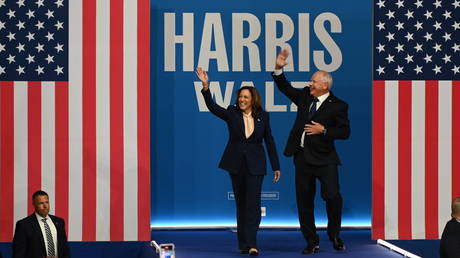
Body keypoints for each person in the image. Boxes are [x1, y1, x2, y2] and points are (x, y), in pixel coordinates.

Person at [196, 67, 281, 256]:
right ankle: (243, 244)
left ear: (253, 100)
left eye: (246, 97)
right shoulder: (231, 113)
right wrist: (205, 86)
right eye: (240, 97)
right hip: (236, 164)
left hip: (256, 165)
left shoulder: (263, 116)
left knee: (253, 204)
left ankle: (252, 243)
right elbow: (212, 107)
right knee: (242, 204)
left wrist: (276, 165)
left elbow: (269, 140)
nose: (242, 100)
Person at [272, 49, 350, 254]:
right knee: (304, 202)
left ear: (324, 85)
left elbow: (344, 132)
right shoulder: (306, 97)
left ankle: (334, 234)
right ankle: (311, 241)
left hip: (325, 159)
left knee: (332, 196)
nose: (309, 84)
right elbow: (285, 88)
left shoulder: (339, 105)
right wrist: (279, 69)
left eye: (313, 81)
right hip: (302, 158)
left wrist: (323, 130)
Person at [13, 190, 70, 258]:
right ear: (34, 204)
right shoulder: (24, 225)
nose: (45, 206)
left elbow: (65, 248)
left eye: (47, 202)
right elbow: (19, 254)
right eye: (41, 203)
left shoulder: (59, 222)